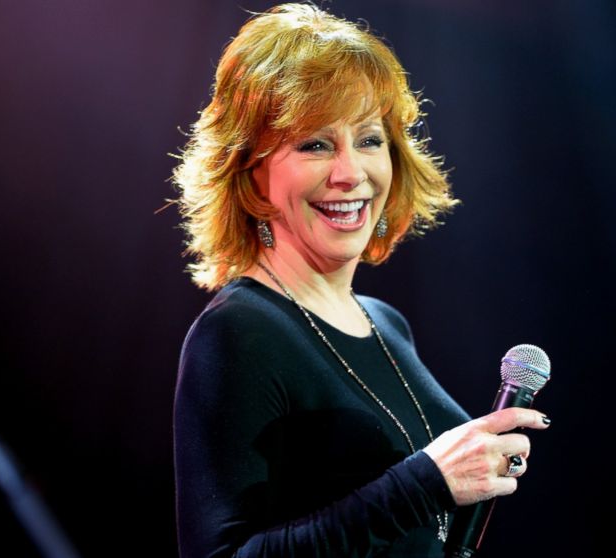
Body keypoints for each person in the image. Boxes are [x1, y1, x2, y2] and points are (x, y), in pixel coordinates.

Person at [172, 4, 550, 557]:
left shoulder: (386, 323)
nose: (351, 173)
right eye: (315, 144)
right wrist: (425, 483)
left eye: (369, 140)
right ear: (252, 174)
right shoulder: (239, 333)